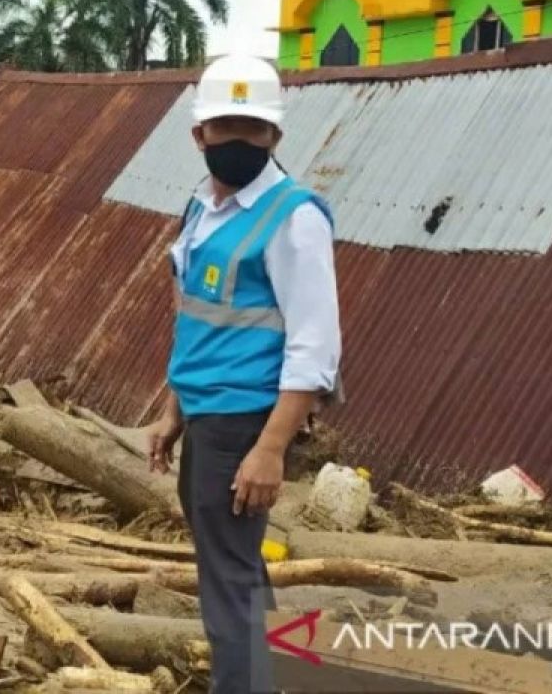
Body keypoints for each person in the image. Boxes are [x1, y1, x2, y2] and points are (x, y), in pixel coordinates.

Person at [145, 55, 340, 694]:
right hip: (206, 416)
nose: (238, 141)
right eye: (224, 127)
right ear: (198, 135)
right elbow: (199, 320)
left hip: (245, 424)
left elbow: (314, 348)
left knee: (227, 587)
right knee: (236, 570)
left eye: (252, 129)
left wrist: (271, 448)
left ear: (275, 137)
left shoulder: (295, 217)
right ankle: (279, 679)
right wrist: (174, 411)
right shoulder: (202, 209)